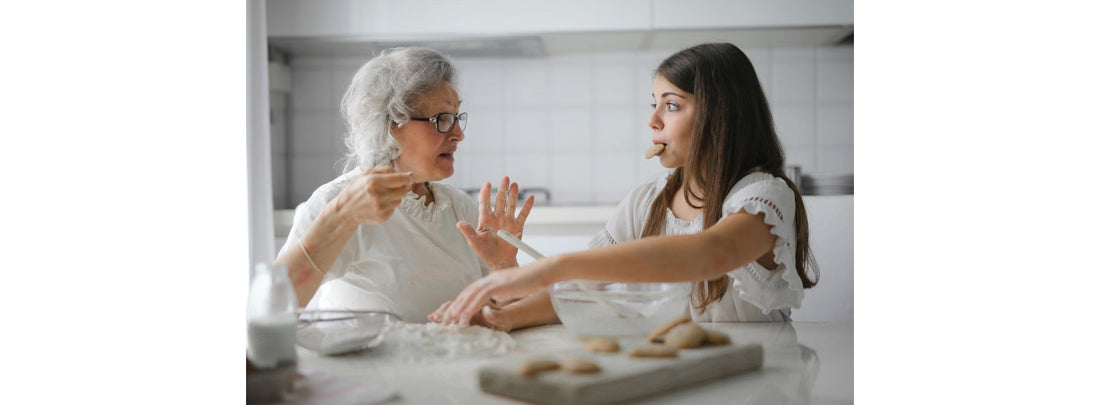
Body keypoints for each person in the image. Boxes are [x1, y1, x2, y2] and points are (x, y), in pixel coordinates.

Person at [431, 42, 819, 328]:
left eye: (671, 105)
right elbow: (585, 288)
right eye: (653, 103)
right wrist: (503, 316)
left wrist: (555, 265)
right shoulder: (647, 201)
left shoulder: (764, 196)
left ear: (721, 116)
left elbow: (712, 253)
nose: (652, 120)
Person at [275, 47, 534, 323]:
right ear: (390, 124)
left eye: (457, 118)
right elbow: (275, 304)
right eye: (442, 119)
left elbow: (500, 316)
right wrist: (340, 216)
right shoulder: (339, 201)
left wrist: (503, 266)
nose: (459, 134)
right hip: (370, 367)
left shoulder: (459, 208)